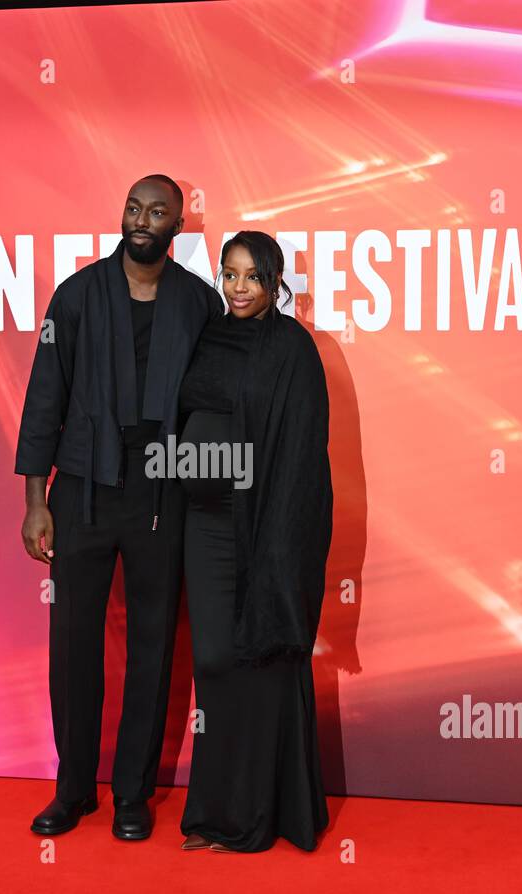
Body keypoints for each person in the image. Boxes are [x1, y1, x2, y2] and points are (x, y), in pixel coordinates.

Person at [15, 175, 224, 840]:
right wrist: (35, 502)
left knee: (153, 646)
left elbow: (213, 408)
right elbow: (43, 398)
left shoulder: (198, 305)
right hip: (81, 488)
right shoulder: (76, 296)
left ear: (176, 224)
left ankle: (134, 795)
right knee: (73, 644)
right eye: (134, 208)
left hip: (162, 493)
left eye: (156, 211)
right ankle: (73, 790)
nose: (141, 219)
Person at [173, 231, 333, 853]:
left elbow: (302, 452)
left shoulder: (292, 347)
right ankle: (217, 809)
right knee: (214, 660)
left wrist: (280, 538)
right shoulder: (205, 336)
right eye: (230, 274)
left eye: (253, 277)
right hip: (203, 522)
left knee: (260, 658)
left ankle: (256, 816)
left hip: (263, 523)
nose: (239, 288)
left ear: (275, 282)